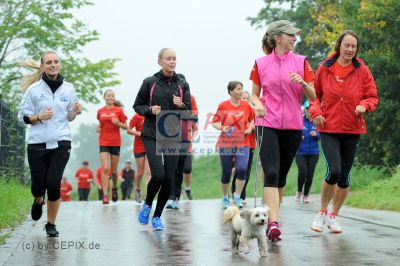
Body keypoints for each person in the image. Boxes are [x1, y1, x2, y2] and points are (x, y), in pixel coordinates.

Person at [250, 20, 316, 241]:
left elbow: (313, 96)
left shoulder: (302, 62)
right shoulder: (261, 63)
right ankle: (273, 223)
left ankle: (273, 216)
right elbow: (254, 94)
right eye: (290, 35)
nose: (294, 38)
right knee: (271, 172)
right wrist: (257, 103)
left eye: (295, 35)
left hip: (293, 126)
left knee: (281, 178)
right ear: (278, 38)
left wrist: (303, 84)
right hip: (266, 123)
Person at [310, 30, 378, 233]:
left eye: (353, 47)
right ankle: (321, 212)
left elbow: (372, 96)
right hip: (329, 127)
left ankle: (334, 216)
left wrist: (364, 105)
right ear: (339, 46)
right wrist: (316, 112)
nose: (350, 49)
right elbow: (315, 96)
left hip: (352, 128)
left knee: (345, 177)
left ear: (356, 50)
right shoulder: (325, 68)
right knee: (335, 170)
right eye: (346, 45)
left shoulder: (362, 70)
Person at [19, 51, 82, 237]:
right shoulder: (34, 90)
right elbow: (22, 117)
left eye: (56, 62)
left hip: (61, 142)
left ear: (60, 65)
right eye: (49, 62)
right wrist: (38, 117)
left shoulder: (69, 89)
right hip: (37, 143)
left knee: (54, 183)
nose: (53, 65)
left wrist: (75, 112)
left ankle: (51, 224)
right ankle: (38, 201)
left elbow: (69, 117)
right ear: (42, 67)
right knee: (38, 186)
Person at [133, 48, 192, 230]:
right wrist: (150, 110)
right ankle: (148, 204)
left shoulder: (182, 84)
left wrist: (181, 104)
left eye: (174, 58)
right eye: (168, 59)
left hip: (172, 135)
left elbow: (189, 111)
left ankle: (157, 216)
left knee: (170, 178)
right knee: (158, 175)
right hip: (151, 134)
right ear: (160, 61)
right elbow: (137, 105)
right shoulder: (150, 82)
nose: (172, 62)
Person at [212, 81, 254, 209]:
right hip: (226, 143)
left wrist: (250, 128)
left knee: (242, 168)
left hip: (243, 142)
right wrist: (222, 127)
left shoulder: (246, 106)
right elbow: (215, 122)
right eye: (238, 89)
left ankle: (237, 196)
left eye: (242, 89)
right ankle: (225, 197)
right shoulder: (223, 105)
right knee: (226, 171)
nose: (241, 91)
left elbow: (252, 119)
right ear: (231, 91)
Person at [166, 94, 199, 209]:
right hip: (170, 138)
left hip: (185, 140)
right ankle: (171, 197)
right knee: (172, 169)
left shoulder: (190, 98)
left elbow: (195, 117)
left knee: (184, 168)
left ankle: (179, 195)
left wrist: (193, 136)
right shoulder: (167, 94)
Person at [97, 90, 128, 204]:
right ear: (104, 97)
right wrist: (98, 128)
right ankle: (105, 195)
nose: (110, 97)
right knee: (105, 168)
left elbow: (126, 126)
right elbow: (100, 124)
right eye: (108, 95)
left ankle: (114, 187)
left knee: (114, 171)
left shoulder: (119, 110)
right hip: (103, 142)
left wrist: (118, 123)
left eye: (112, 96)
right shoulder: (100, 111)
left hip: (115, 142)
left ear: (114, 98)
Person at [231, 91, 256, 204]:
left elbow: (257, 125)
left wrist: (251, 128)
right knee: (238, 170)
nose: (245, 100)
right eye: (243, 98)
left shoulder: (253, 112)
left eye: (247, 98)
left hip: (250, 145)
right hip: (237, 144)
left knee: (246, 171)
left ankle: (241, 196)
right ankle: (234, 194)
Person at [295, 100, 320, 203]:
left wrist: (317, 134)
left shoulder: (317, 120)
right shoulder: (299, 120)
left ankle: (306, 195)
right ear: (305, 110)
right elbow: (293, 132)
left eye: (311, 108)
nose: (309, 110)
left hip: (314, 152)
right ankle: (299, 191)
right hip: (300, 152)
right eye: (307, 108)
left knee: (310, 174)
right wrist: (298, 136)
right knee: (302, 172)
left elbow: (324, 134)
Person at [127, 113, 152, 203]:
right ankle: (138, 190)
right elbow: (128, 130)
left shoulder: (153, 114)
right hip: (139, 146)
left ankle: (149, 195)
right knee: (140, 172)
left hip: (150, 145)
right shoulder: (137, 116)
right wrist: (140, 133)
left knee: (149, 172)